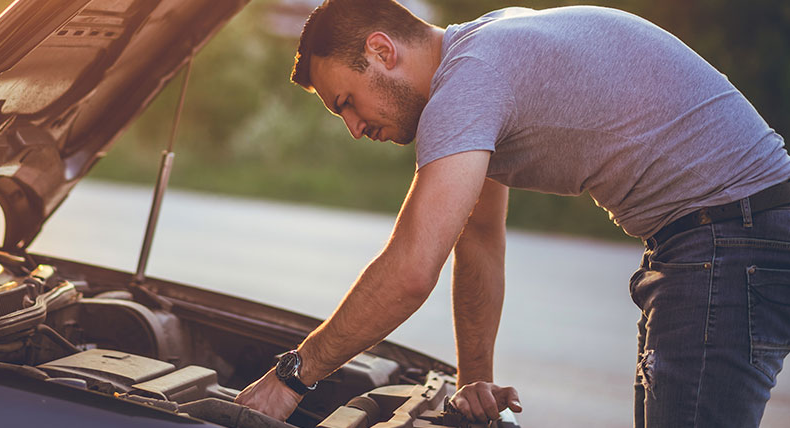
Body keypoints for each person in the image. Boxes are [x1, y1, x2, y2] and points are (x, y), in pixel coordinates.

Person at [233, 0, 790, 426]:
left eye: (346, 102)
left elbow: (409, 270)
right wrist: (475, 381)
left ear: (381, 51)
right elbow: (477, 240)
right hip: (733, 231)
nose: (354, 128)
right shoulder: (482, 51)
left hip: (730, 236)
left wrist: (294, 376)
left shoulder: (469, 81)